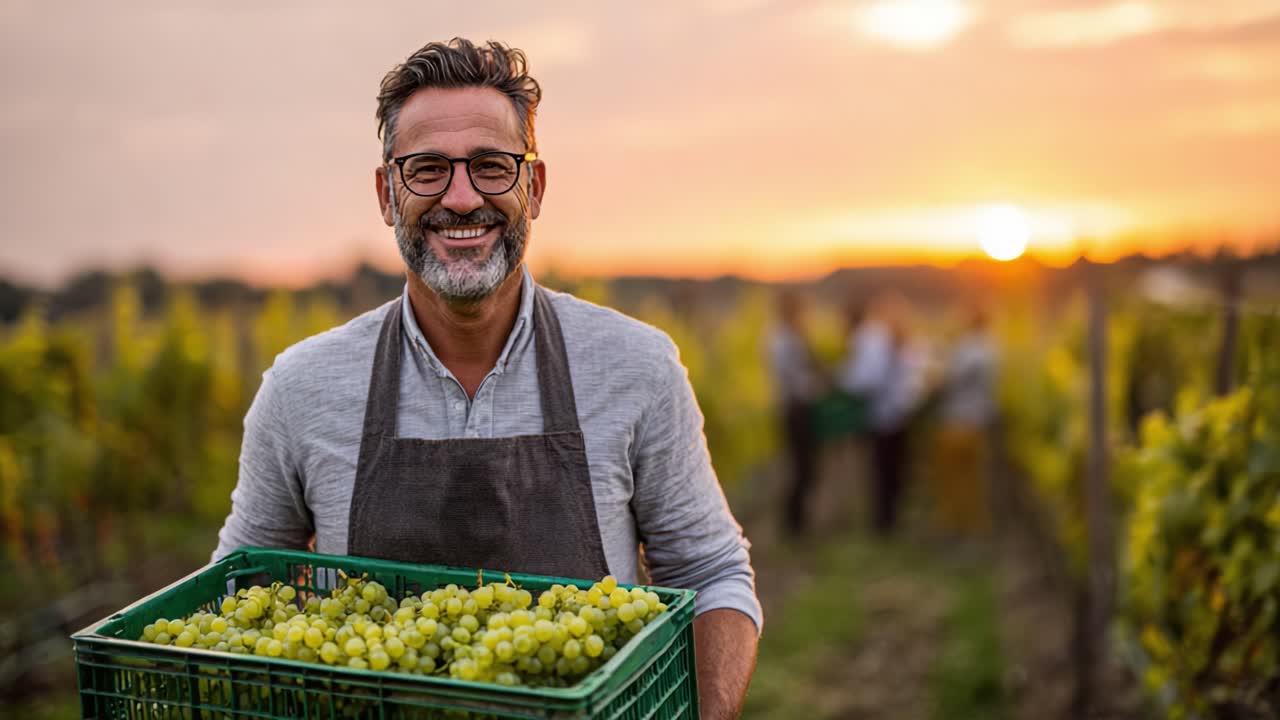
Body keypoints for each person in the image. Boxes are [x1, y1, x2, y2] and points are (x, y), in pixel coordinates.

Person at [213, 39, 759, 717]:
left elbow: (709, 575)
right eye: (428, 169)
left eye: (492, 166)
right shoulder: (303, 388)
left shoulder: (635, 366)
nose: (463, 198)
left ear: (535, 186)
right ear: (388, 193)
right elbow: (238, 594)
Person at [839, 293, 926, 535]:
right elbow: (872, 380)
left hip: (891, 417)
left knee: (889, 471)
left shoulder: (895, 345)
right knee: (888, 471)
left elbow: (869, 381)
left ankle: (887, 520)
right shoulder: (885, 344)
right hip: (890, 417)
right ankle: (887, 521)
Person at [932, 305, 998, 537]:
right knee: (974, 480)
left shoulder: (969, 349)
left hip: (957, 422)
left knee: (955, 479)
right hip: (978, 422)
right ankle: (975, 527)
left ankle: (957, 527)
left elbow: (947, 381)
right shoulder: (991, 347)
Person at [765, 289, 823, 538]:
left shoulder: (792, 336)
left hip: (799, 406)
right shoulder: (780, 339)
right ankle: (793, 525)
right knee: (801, 467)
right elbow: (791, 376)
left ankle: (798, 523)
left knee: (806, 467)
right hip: (795, 408)